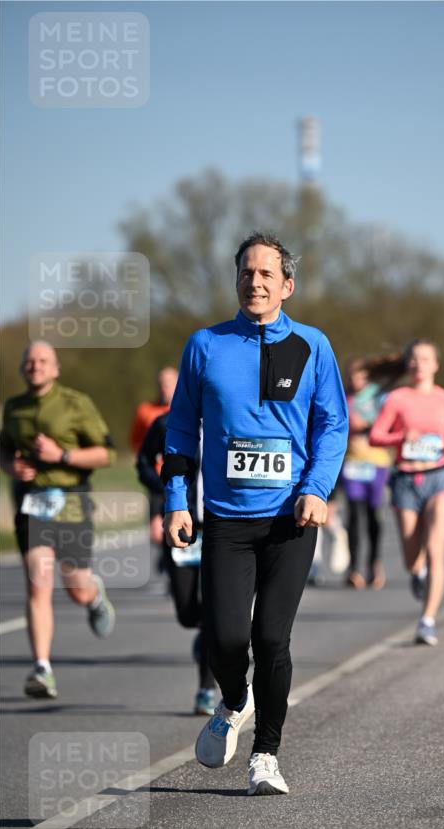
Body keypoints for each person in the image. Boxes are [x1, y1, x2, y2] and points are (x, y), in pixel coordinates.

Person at [162, 232, 348, 796]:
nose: (256, 282)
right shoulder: (206, 346)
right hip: (224, 518)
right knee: (223, 638)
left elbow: (333, 425)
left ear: (287, 285)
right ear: (236, 280)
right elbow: (179, 428)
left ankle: (265, 754)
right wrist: (176, 500)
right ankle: (233, 701)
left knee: (271, 639)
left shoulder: (313, 345)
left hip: (290, 516)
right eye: (247, 272)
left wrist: (316, 488)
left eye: (267, 274)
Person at [0, 341, 117, 699]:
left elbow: (106, 453)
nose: (35, 365)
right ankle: (42, 668)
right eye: (29, 360)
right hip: (31, 505)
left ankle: (94, 595)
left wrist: (61, 454)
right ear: (23, 368)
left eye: (42, 361)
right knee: (38, 583)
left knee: (76, 588)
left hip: (71, 503)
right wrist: (11, 466)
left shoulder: (75, 403)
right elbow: (2, 449)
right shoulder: (14, 408)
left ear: (56, 368)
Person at [369, 340, 444, 646]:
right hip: (406, 480)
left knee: (436, 549)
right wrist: (401, 436)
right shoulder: (397, 398)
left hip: (440, 477)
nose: (419, 364)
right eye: (413, 359)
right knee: (412, 558)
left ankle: (427, 621)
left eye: (425, 359)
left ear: (435, 365)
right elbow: (375, 436)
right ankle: (418, 572)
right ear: (407, 364)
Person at [137, 413, 216, 714]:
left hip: (221, 527)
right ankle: (205, 635)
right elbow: (144, 462)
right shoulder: (165, 424)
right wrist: (164, 494)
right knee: (186, 612)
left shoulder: (230, 415)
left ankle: (206, 689)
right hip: (182, 526)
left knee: (213, 611)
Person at [340, 358, 392, 589]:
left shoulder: (378, 397)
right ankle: (354, 568)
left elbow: (389, 424)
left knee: (373, 516)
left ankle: (374, 563)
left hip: (376, 462)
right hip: (352, 462)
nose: (355, 380)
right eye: (351, 376)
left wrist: (366, 426)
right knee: (353, 515)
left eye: (359, 376)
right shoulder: (342, 396)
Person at [130, 367, 178, 557]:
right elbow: (136, 442)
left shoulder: (189, 411)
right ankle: (167, 558)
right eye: (161, 384)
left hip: (183, 480)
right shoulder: (146, 411)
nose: (164, 389)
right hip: (158, 481)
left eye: (168, 384)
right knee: (158, 532)